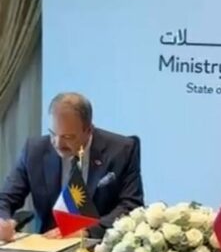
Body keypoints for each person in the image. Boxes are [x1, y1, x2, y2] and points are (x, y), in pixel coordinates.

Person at [0, 92, 144, 241]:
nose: (58, 144)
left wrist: (87, 231)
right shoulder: (35, 150)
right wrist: (2, 221)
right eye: (53, 134)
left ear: (89, 130)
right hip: (49, 243)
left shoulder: (121, 150)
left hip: (99, 243)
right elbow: (6, 198)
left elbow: (130, 205)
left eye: (68, 137)